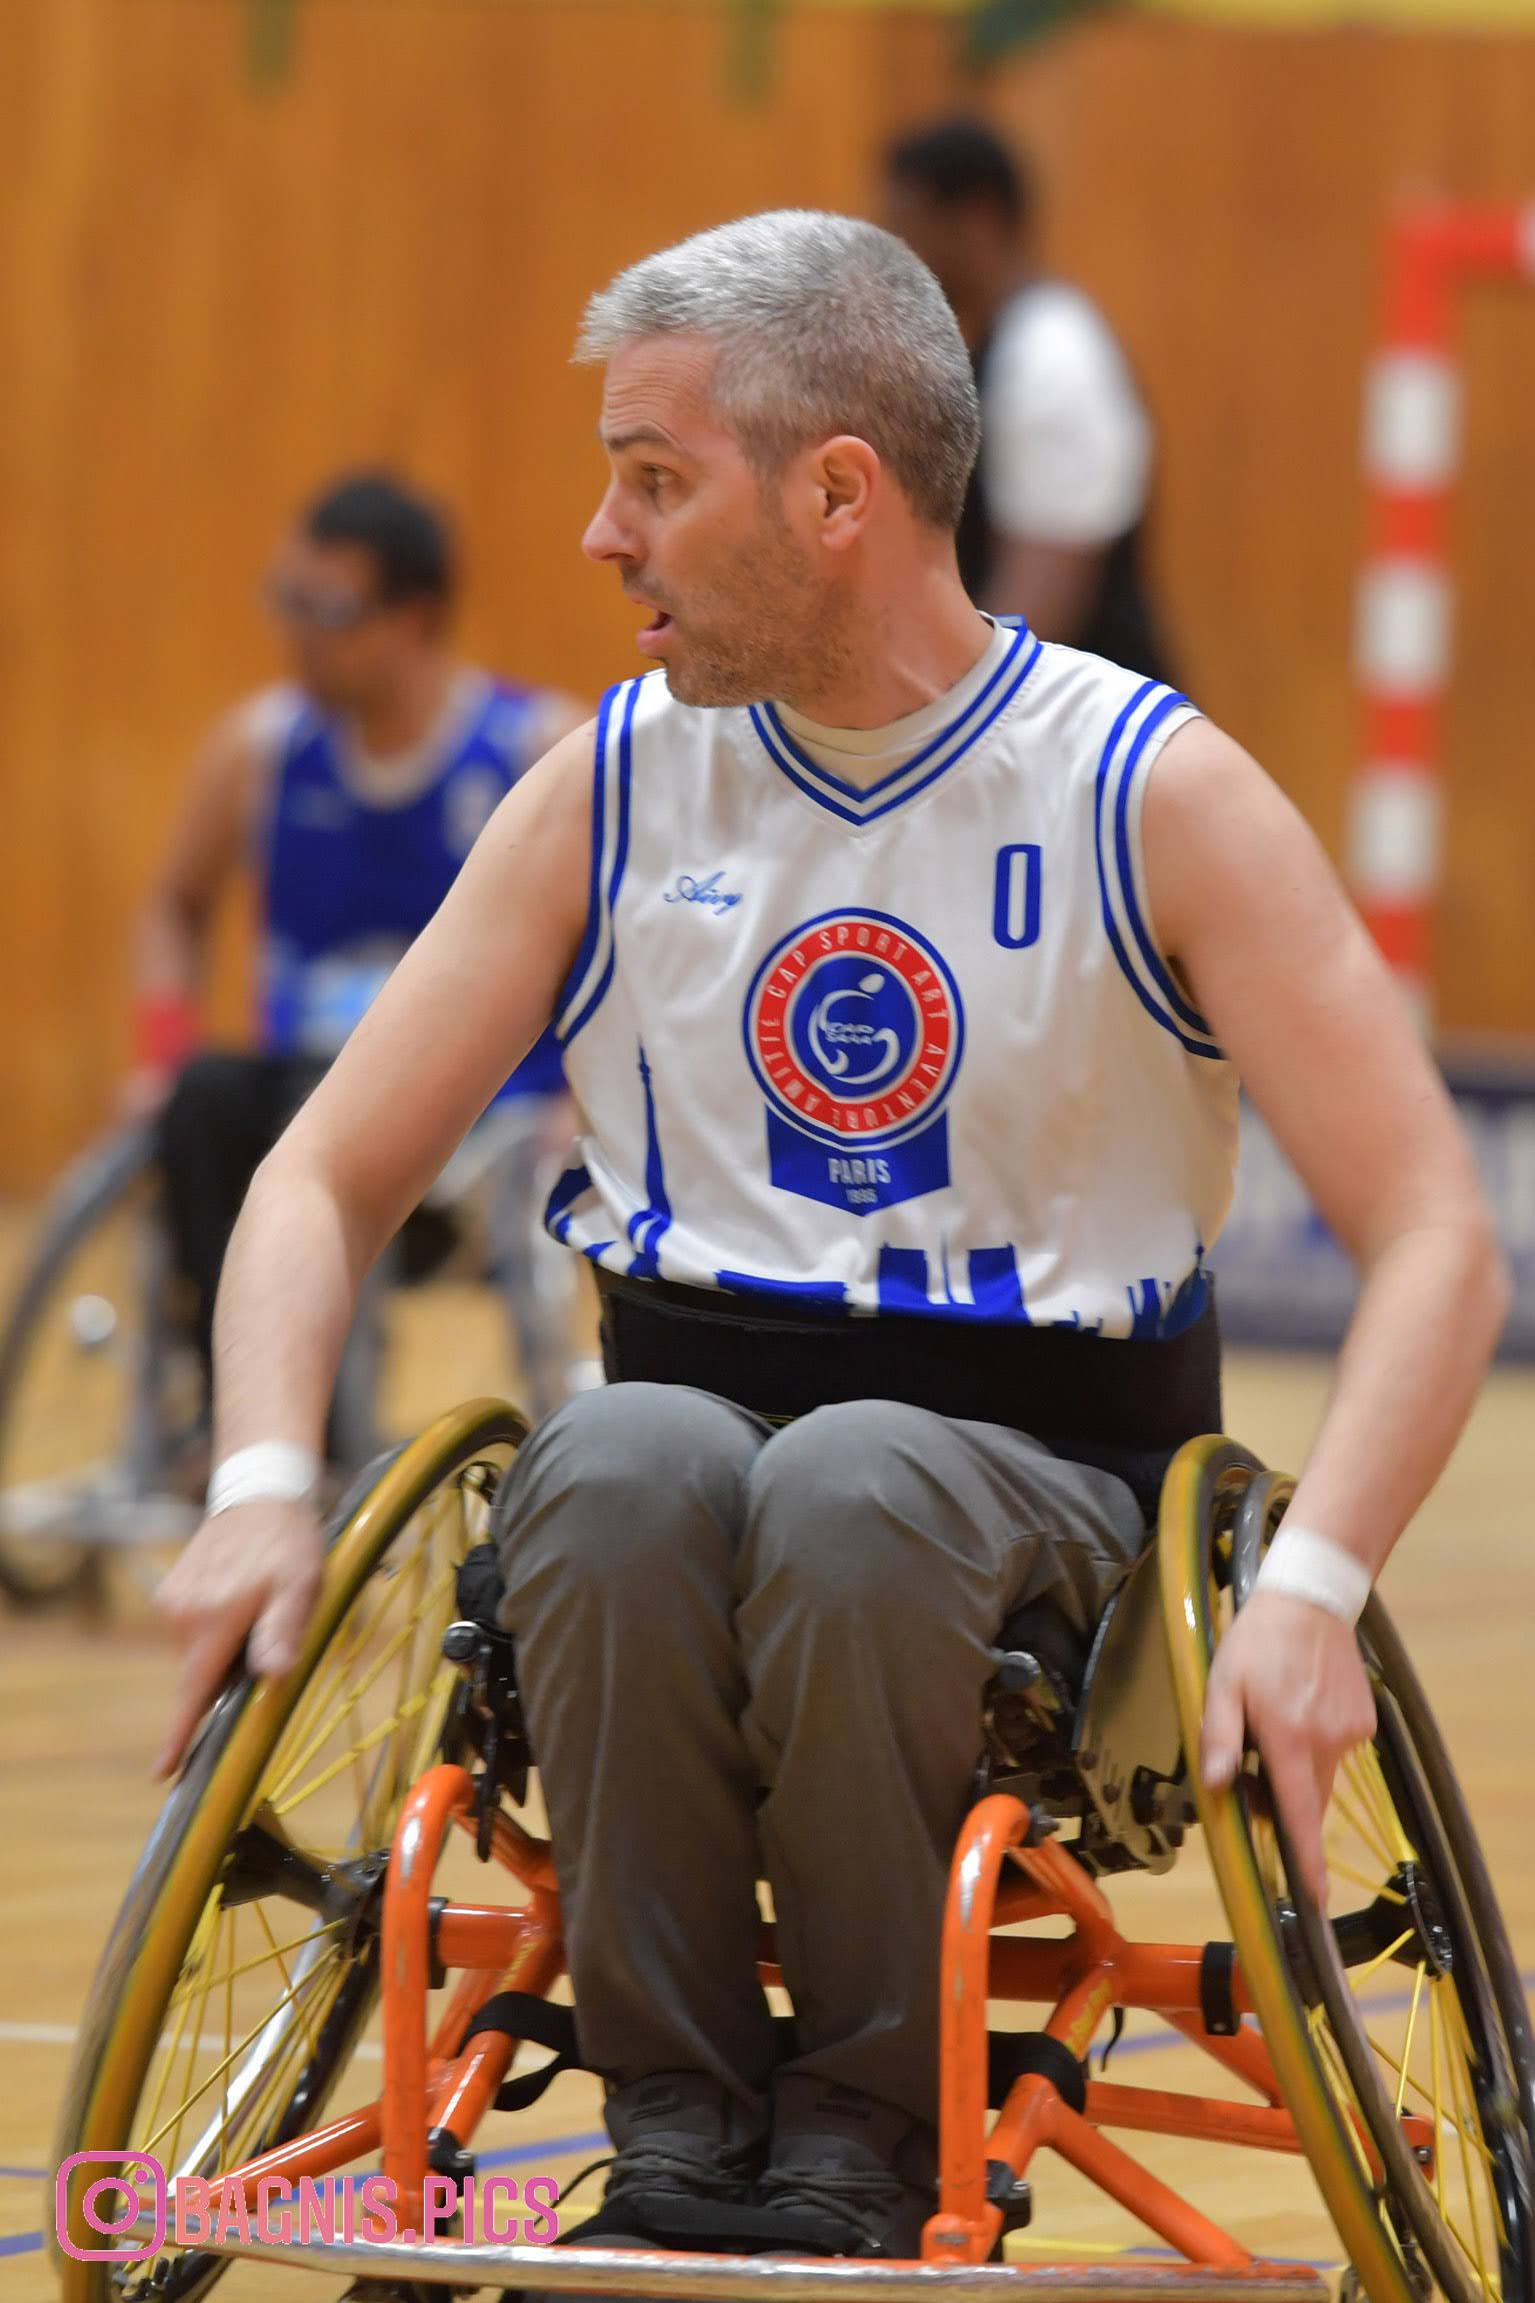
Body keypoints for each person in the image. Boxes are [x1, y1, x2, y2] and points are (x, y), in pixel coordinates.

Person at [154, 215, 1505, 2260]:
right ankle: (682, 2119)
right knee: (602, 1462)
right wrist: (261, 1480)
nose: (600, 531)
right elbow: (316, 1173)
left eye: (651, 475)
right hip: (690, 1461)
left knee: (857, 1485)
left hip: (1051, 1500)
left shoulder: (1149, 793)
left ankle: (873, 2118)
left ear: (837, 494)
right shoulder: (607, 785)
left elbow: (1430, 1230)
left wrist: (1308, 1589)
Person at [130, 470, 588, 1433]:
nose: (297, 630)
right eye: (287, 600)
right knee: (203, 1092)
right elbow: (174, 905)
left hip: (477, 1137)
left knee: (324, 1092)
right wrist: (158, 1050)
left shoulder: (534, 750)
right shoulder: (257, 748)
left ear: (413, 618)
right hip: (301, 1118)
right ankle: (245, 1422)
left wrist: (582, 1105)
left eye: (326, 607)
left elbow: (633, 941)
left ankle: (314, 1443)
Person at [884, 115, 1174, 683]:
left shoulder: (1052, 357)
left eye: (907, 226)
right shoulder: (993, 348)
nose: (897, 255)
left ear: (978, 220)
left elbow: (1046, 599)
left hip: (1089, 745)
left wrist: (932, 720)